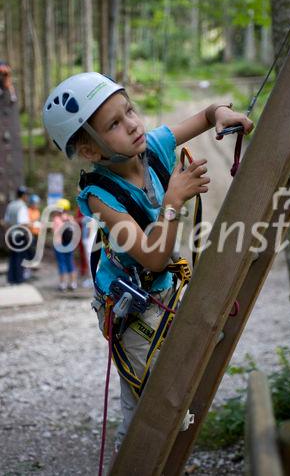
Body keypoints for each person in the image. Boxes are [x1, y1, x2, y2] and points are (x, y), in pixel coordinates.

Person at [43, 72, 253, 453]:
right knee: (147, 407)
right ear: (90, 151)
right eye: (115, 124)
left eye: (130, 111)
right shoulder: (100, 197)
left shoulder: (152, 147)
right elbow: (154, 258)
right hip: (132, 313)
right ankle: (136, 462)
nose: (133, 125)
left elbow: (206, 115)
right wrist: (172, 202)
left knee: (181, 381)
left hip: (162, 292)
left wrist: (221, 113)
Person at [4, 186, 30, 284]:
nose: (27, 197)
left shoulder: (11, 205)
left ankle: (11, 278)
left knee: (13, 256)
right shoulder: (22, 206)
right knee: (20, 257)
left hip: (11, 235)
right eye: (26, 194)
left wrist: (8, 233)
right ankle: (19, 278)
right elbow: (23, 223)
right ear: (23, 195)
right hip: (20, 235)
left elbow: (6, 222)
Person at [52, 198, 78, 291]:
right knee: (70, 263)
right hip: (69, 244)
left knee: (62, 264)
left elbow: (55, 232)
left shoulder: (56, 219)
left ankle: (63, 284)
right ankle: (73, 283)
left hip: (59, 244)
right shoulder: (70, 218)